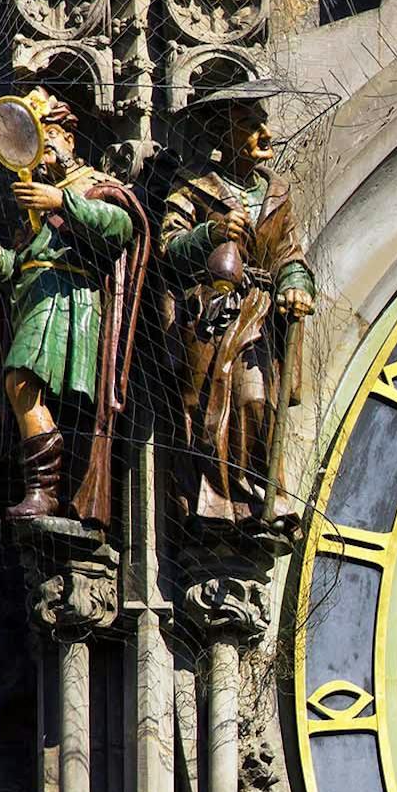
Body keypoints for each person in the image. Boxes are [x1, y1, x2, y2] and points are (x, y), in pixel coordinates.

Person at [0, 92, 147, 524]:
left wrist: (63, 202)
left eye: (50, 134)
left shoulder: (91, 184)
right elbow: (28, 261)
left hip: (68, 300)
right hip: (39, 297)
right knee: (24, 387)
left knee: (21, 383)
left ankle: (44, 490)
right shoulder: (42, 197)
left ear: (71, 138)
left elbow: (123, 226)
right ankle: (46, 491)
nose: (45, 146)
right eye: (37, 137)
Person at [158, 79, 315, 526]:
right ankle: (212, 501)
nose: (265, 135)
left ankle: (260, 498)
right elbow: (168, 246)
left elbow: (291, 254)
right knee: (206, 408)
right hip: (210, 313)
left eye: (263, 124)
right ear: (223, 136)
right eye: (250, 126)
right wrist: (211, 233)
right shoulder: (193, 187)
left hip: (259, 317)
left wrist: (295, 284)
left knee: (255, 397)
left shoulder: (275, 194)